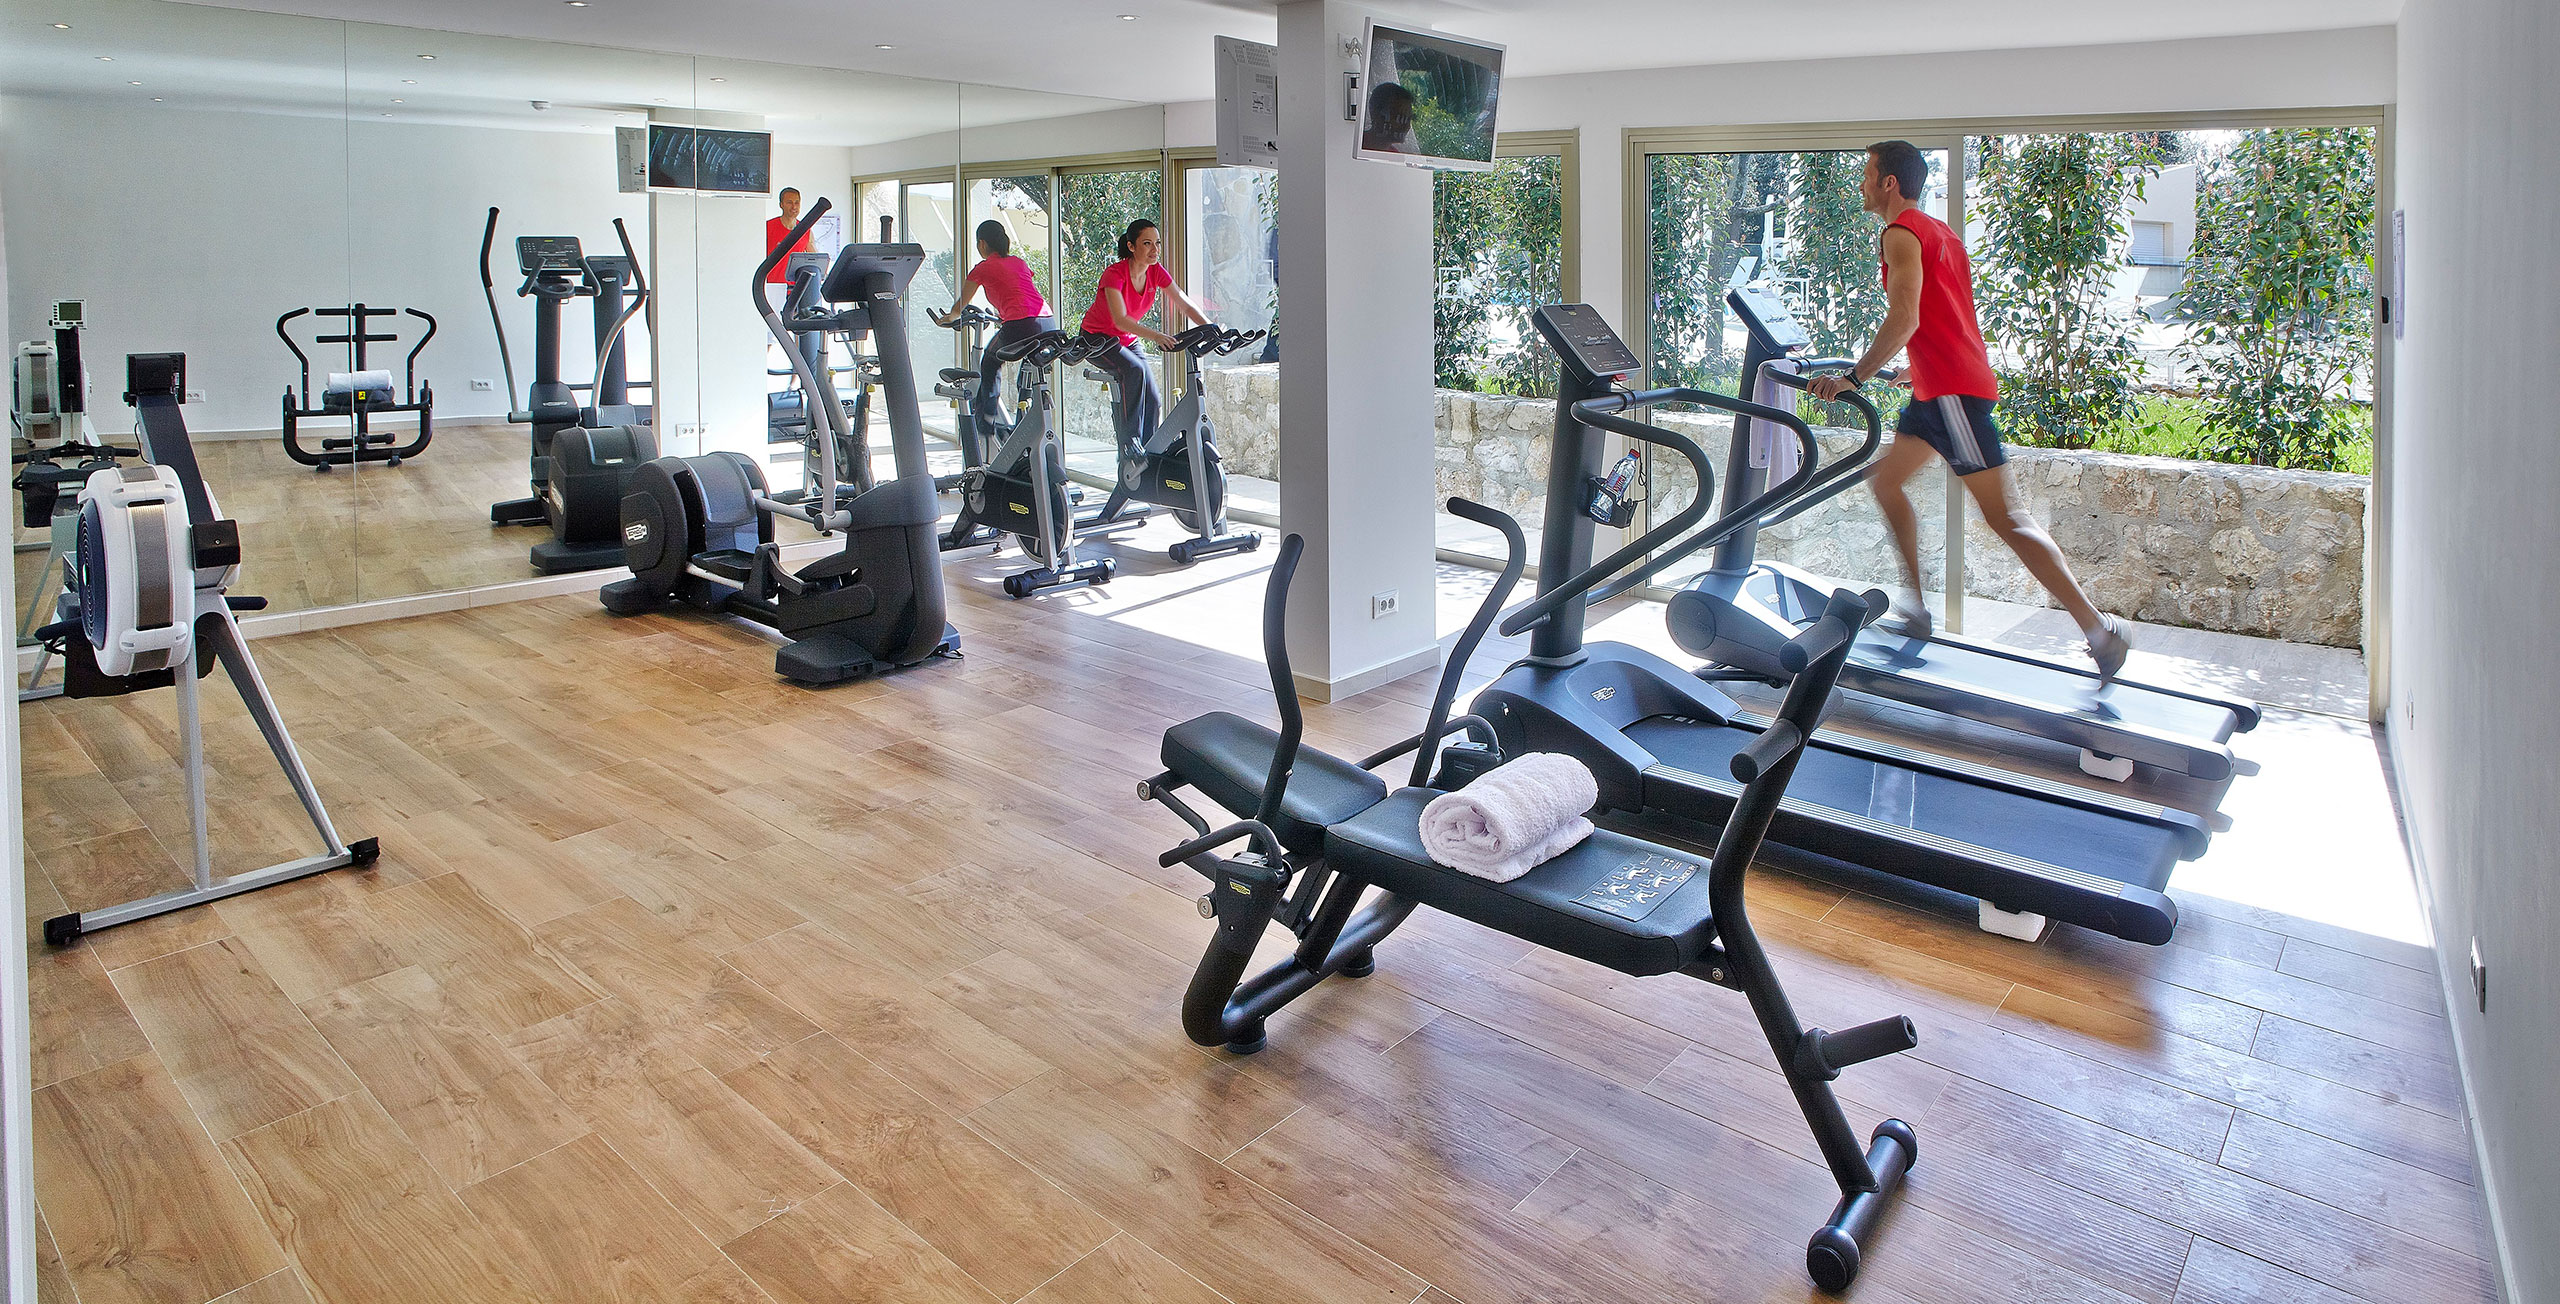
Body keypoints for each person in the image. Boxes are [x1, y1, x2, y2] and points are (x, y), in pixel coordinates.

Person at [1808, 139, 2136, 684]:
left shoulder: (1900, 233)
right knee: (1886, 483)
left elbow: (1906, 317)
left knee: (2006, 518)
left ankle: (2101, 632)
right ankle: (1916, 610)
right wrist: (1915, 367)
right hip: (1936, 390)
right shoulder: (1940, 233)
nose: (1862, 184)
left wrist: (1853, 378)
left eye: (1867, 175)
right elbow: (1946, 316)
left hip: (1953, 397)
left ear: (1889, 182)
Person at [1077, 219, 1212, 450]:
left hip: (1126, 340)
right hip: (1096, 339)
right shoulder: (1114, 274)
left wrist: (1210, 327)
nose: (1155, 249)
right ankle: (1131, 447)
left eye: (1157, 243)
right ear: (1131, 246)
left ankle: (1149, 453)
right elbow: (1120, 320)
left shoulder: (1155, 271)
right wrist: (1157, 336)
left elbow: (1184, 303)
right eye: (1147, 243)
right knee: (1134, 369)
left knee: (1153, 399)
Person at [934, 220, 1055, 435]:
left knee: (990, 362)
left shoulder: (982, 268)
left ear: (982, 243)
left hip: (1021, 324)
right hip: (1047, 322)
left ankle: (986, 420)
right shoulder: (1019, 262)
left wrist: (949, 317)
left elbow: (960, 305)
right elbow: (1018, 290)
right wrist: (1002, 315)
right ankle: (1023, 420)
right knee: (1029, 365)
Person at [765, 187, 814, 290]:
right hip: (772, 288)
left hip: (795, 289)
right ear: (781, 205)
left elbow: (814, 259)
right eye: (789, 202)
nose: (794, 207)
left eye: (797, 202)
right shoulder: (768, 227)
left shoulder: (806, 230)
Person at [1361, 81, 1418, 155]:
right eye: (1400, 118)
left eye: (1408, 119)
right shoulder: (1353, 144)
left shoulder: (1395, 156)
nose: (1407, 126)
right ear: (1377, 115)